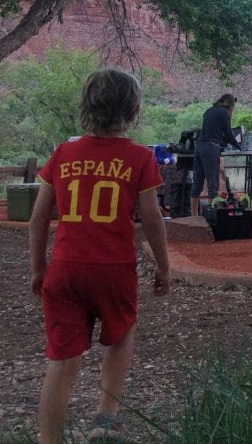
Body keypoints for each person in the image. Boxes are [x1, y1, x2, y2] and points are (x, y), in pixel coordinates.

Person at [28, 68, 171, 443]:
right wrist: (163, 265)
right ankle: (105, 420)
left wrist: (38, 268)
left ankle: (49, 439)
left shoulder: (62, 154)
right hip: (113, 269)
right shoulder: (139, 157)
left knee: (60, 362)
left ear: (85, 107)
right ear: (133, 110)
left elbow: (38, 220)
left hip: (64, 270)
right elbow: (153, 218)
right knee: (121, 336)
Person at [190, 93, 242, 216]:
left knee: (197, 182)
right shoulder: (224, 113)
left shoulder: (208, 111)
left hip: (199, 146)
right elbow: (228, 133)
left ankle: (193, 215)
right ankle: (212, 215)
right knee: (212, 183)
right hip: (210, 147)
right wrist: (239, 147)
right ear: (230, 104)